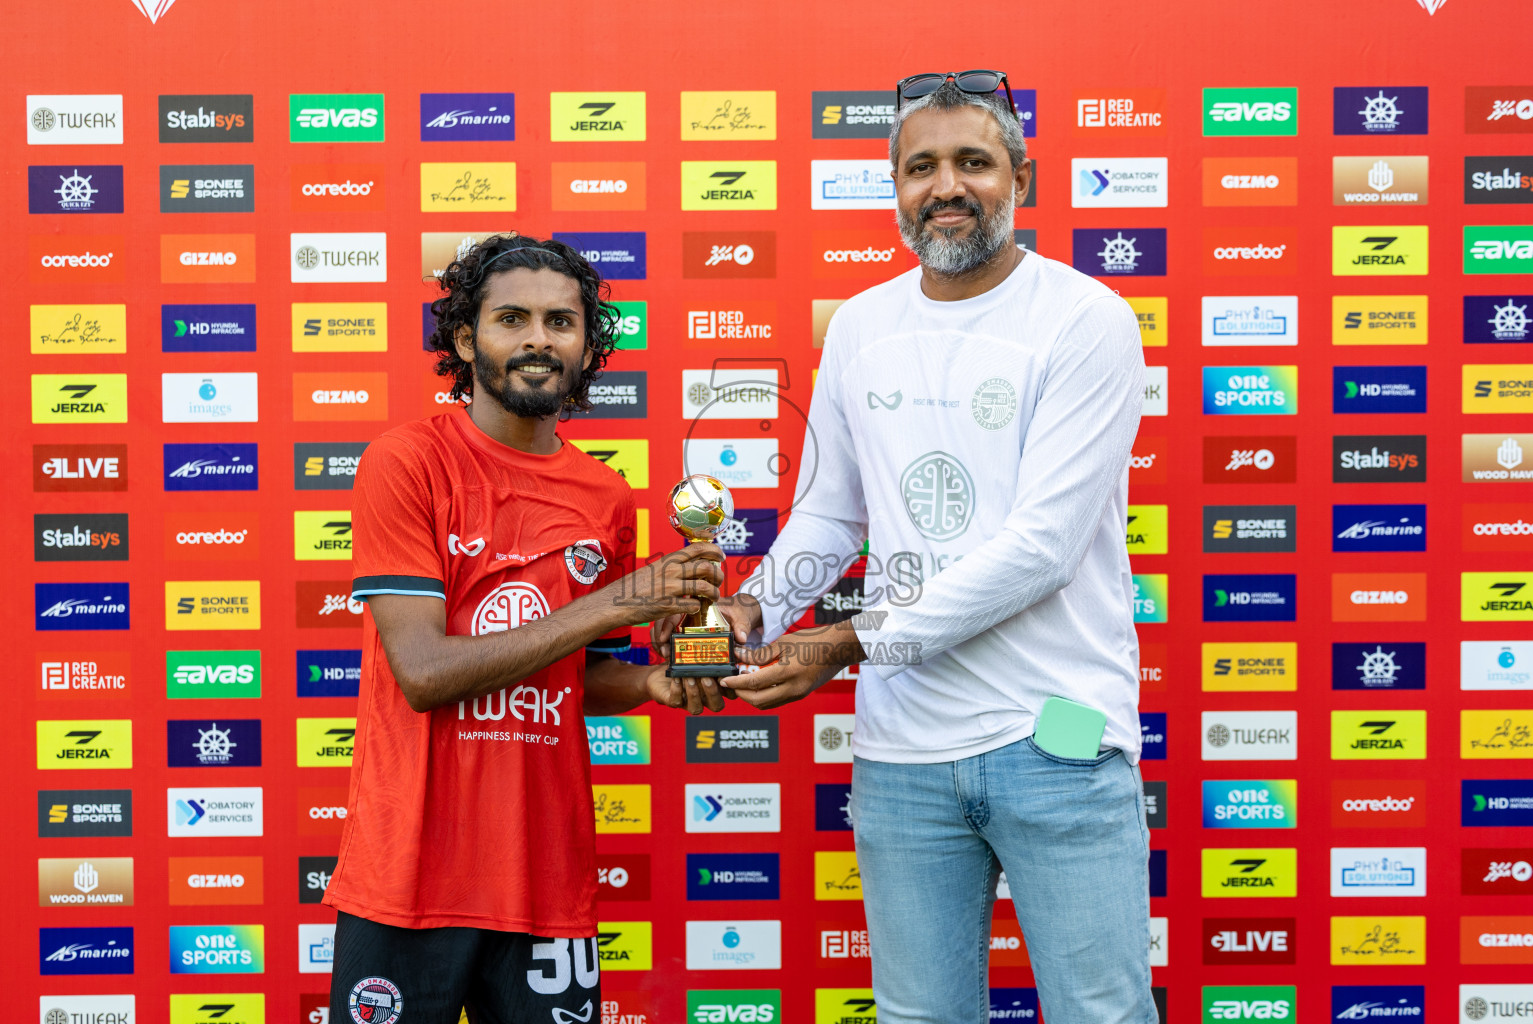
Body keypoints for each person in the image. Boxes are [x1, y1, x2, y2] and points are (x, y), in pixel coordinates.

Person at [682, 73, 1155, 1023]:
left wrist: (850, 643)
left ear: (1020, 177)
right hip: (901, 752)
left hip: (1056, 732)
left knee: (1100, 1012)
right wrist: (751, 609)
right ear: (894, 187)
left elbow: (1042, 548)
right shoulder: (861, 326)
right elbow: (829, 513)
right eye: (921, 167)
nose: (947, 187)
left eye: (973, 163)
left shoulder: (1084, 317)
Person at [325, 234, 727, 1024]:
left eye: (561, 322)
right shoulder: (406, 462)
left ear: (586, 345)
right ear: (467, 339)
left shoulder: (604, 496)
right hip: (407, 880)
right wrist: (616, 603)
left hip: (542, 883)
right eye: (512, 319)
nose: (539, 339)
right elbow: (425, 673)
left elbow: (582, 677)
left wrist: (653, 680)